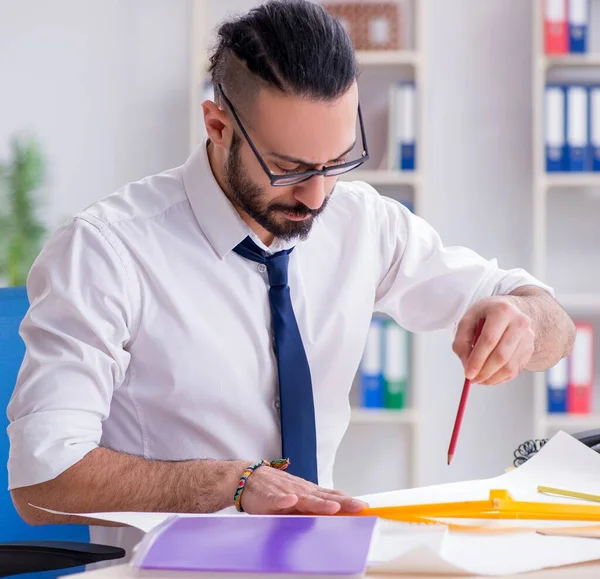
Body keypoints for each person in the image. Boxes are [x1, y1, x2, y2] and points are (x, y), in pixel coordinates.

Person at [8, 0, 574, 559]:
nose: (317, 195)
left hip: (324, 561)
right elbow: (42, 479)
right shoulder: (106, 251)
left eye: (338, 161)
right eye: (290, 168)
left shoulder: (361, 221)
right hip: (171, 570)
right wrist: (228, 484)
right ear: (218, 126)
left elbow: (550, 324)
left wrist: (524, 322)